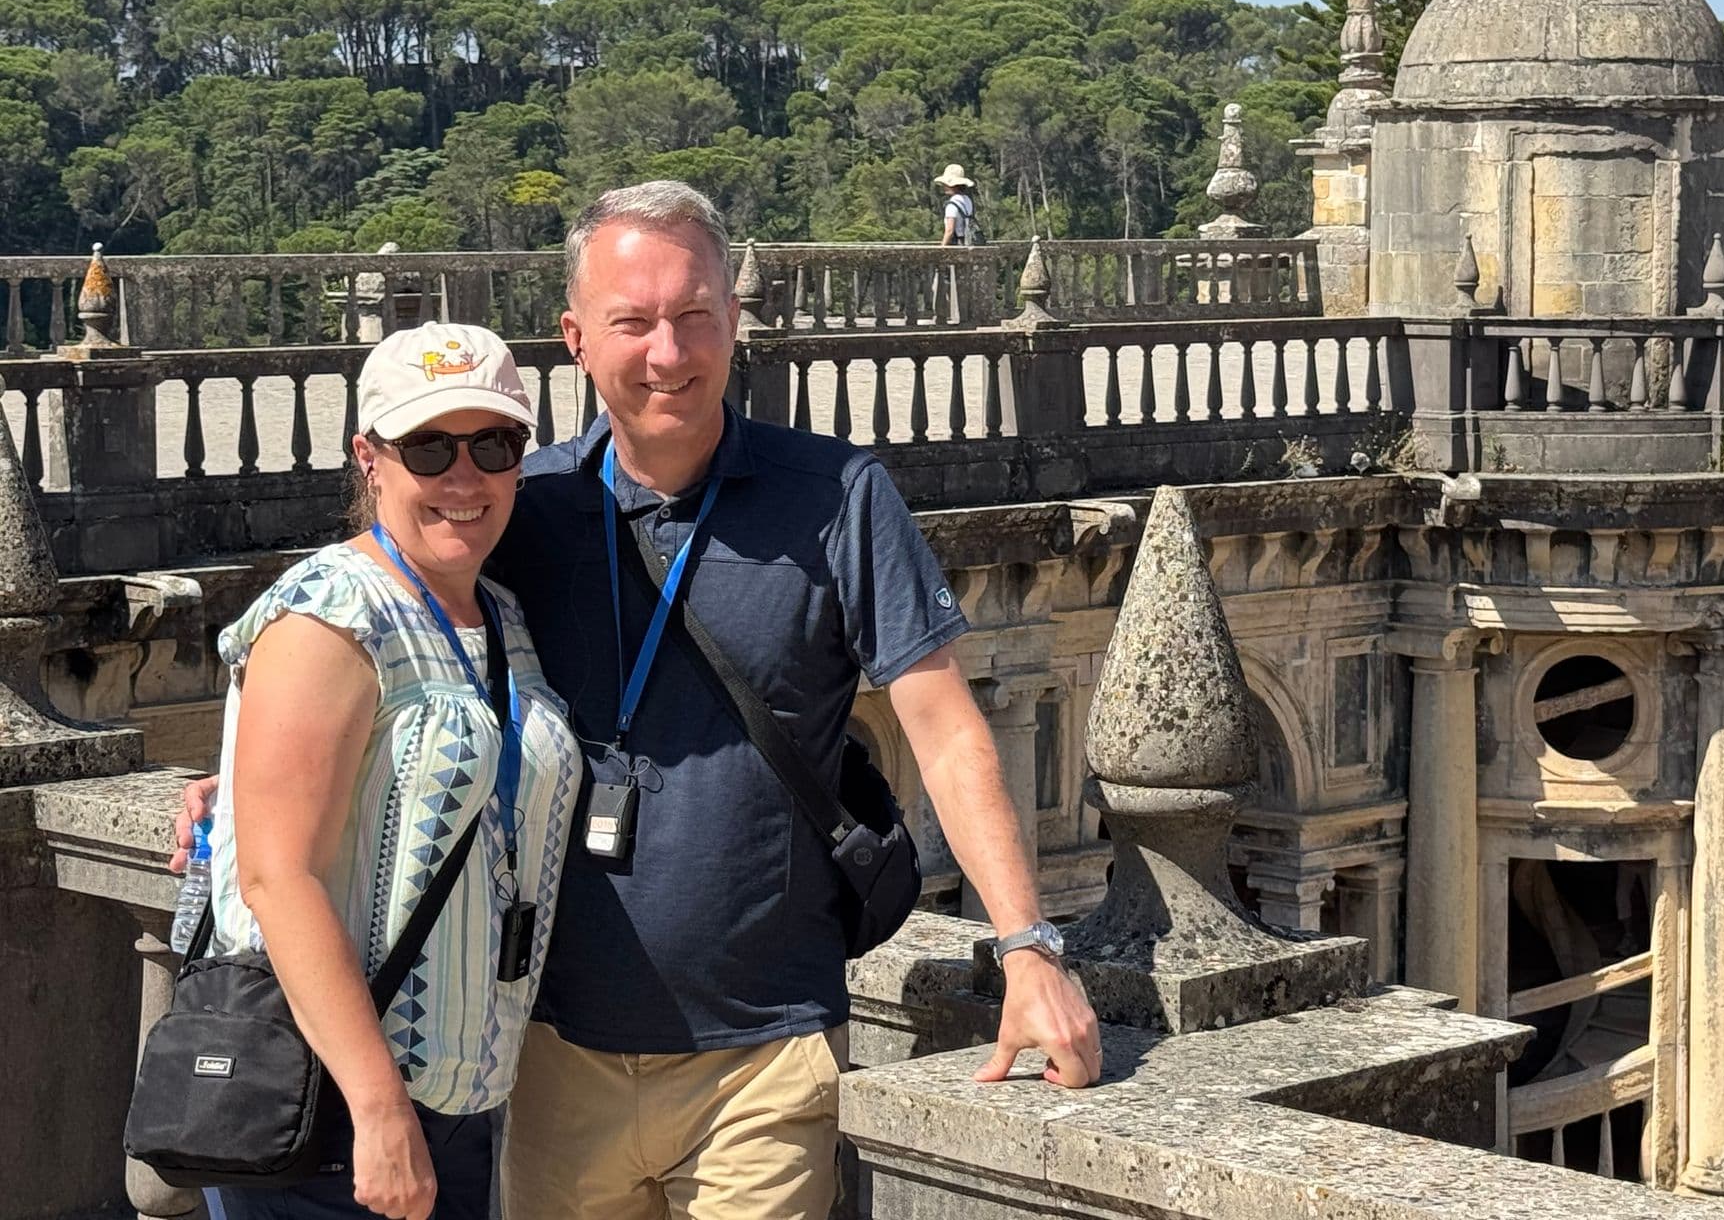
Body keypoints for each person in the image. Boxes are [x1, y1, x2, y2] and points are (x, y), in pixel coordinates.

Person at [181, 181, 1100, 1220]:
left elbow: (942, 727)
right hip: (552, 1054)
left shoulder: (838, 496)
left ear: (732, 320)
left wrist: (1027, 946)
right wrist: (253, 772)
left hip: (764, 1050)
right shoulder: (526, 512)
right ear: (576, 338)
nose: (667, 351)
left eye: (692, 315)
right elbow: (382, 657)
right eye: (632, 321)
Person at [195, 322, 584, 1220]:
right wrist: (377, 1109)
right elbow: (274, 874)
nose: (463, 475)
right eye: (428, 446)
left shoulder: (503, 615)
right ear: (370, 458)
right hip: (330, 1115)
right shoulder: (329, 616)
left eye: (493, 443)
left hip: (466, 1103)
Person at [934, 163, 976, 246]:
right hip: (968, 241)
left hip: (957, 242)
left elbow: (950, 230)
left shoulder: (952, 204)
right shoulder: (967, 200)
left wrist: (942, 247)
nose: (944, 186)